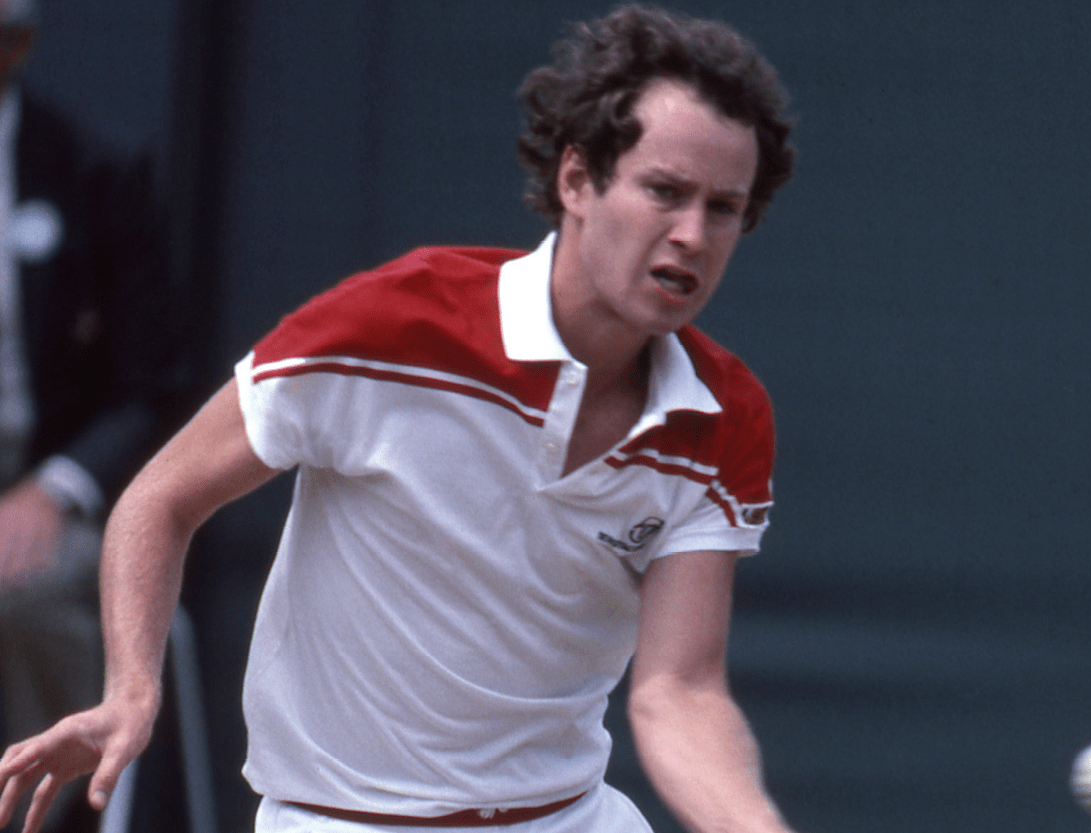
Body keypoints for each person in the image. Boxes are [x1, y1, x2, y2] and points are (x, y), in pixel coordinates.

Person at [0, 5, 798, 833]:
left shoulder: (725, 417)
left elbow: (679, 690)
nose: (692, 234)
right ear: (576, 180)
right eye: (664, 191)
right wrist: (130, 690)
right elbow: (161, 496)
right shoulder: (391, 328)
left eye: (723, 208)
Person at [0, 0, 173, 830]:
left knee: (23, 593)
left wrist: (54, 489)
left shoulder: (97, 165)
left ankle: (46, 812)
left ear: (21, 42)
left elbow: (152, 380)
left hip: (47, 481)